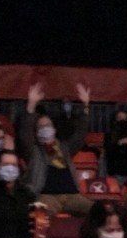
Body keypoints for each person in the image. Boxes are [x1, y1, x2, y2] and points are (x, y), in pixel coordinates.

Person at [15, 82, 93, 215]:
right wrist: (31, 106)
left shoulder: (65, 148)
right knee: (40, 215)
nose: (45, 128)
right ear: (36, 132)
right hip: (47, 196)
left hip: (72, 196)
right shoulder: (33, 150)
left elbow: (80, 134)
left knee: (98, 210)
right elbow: (24, 134)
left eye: (48, 125)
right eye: (41, 127)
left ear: (54, 129)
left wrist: (85, 105)